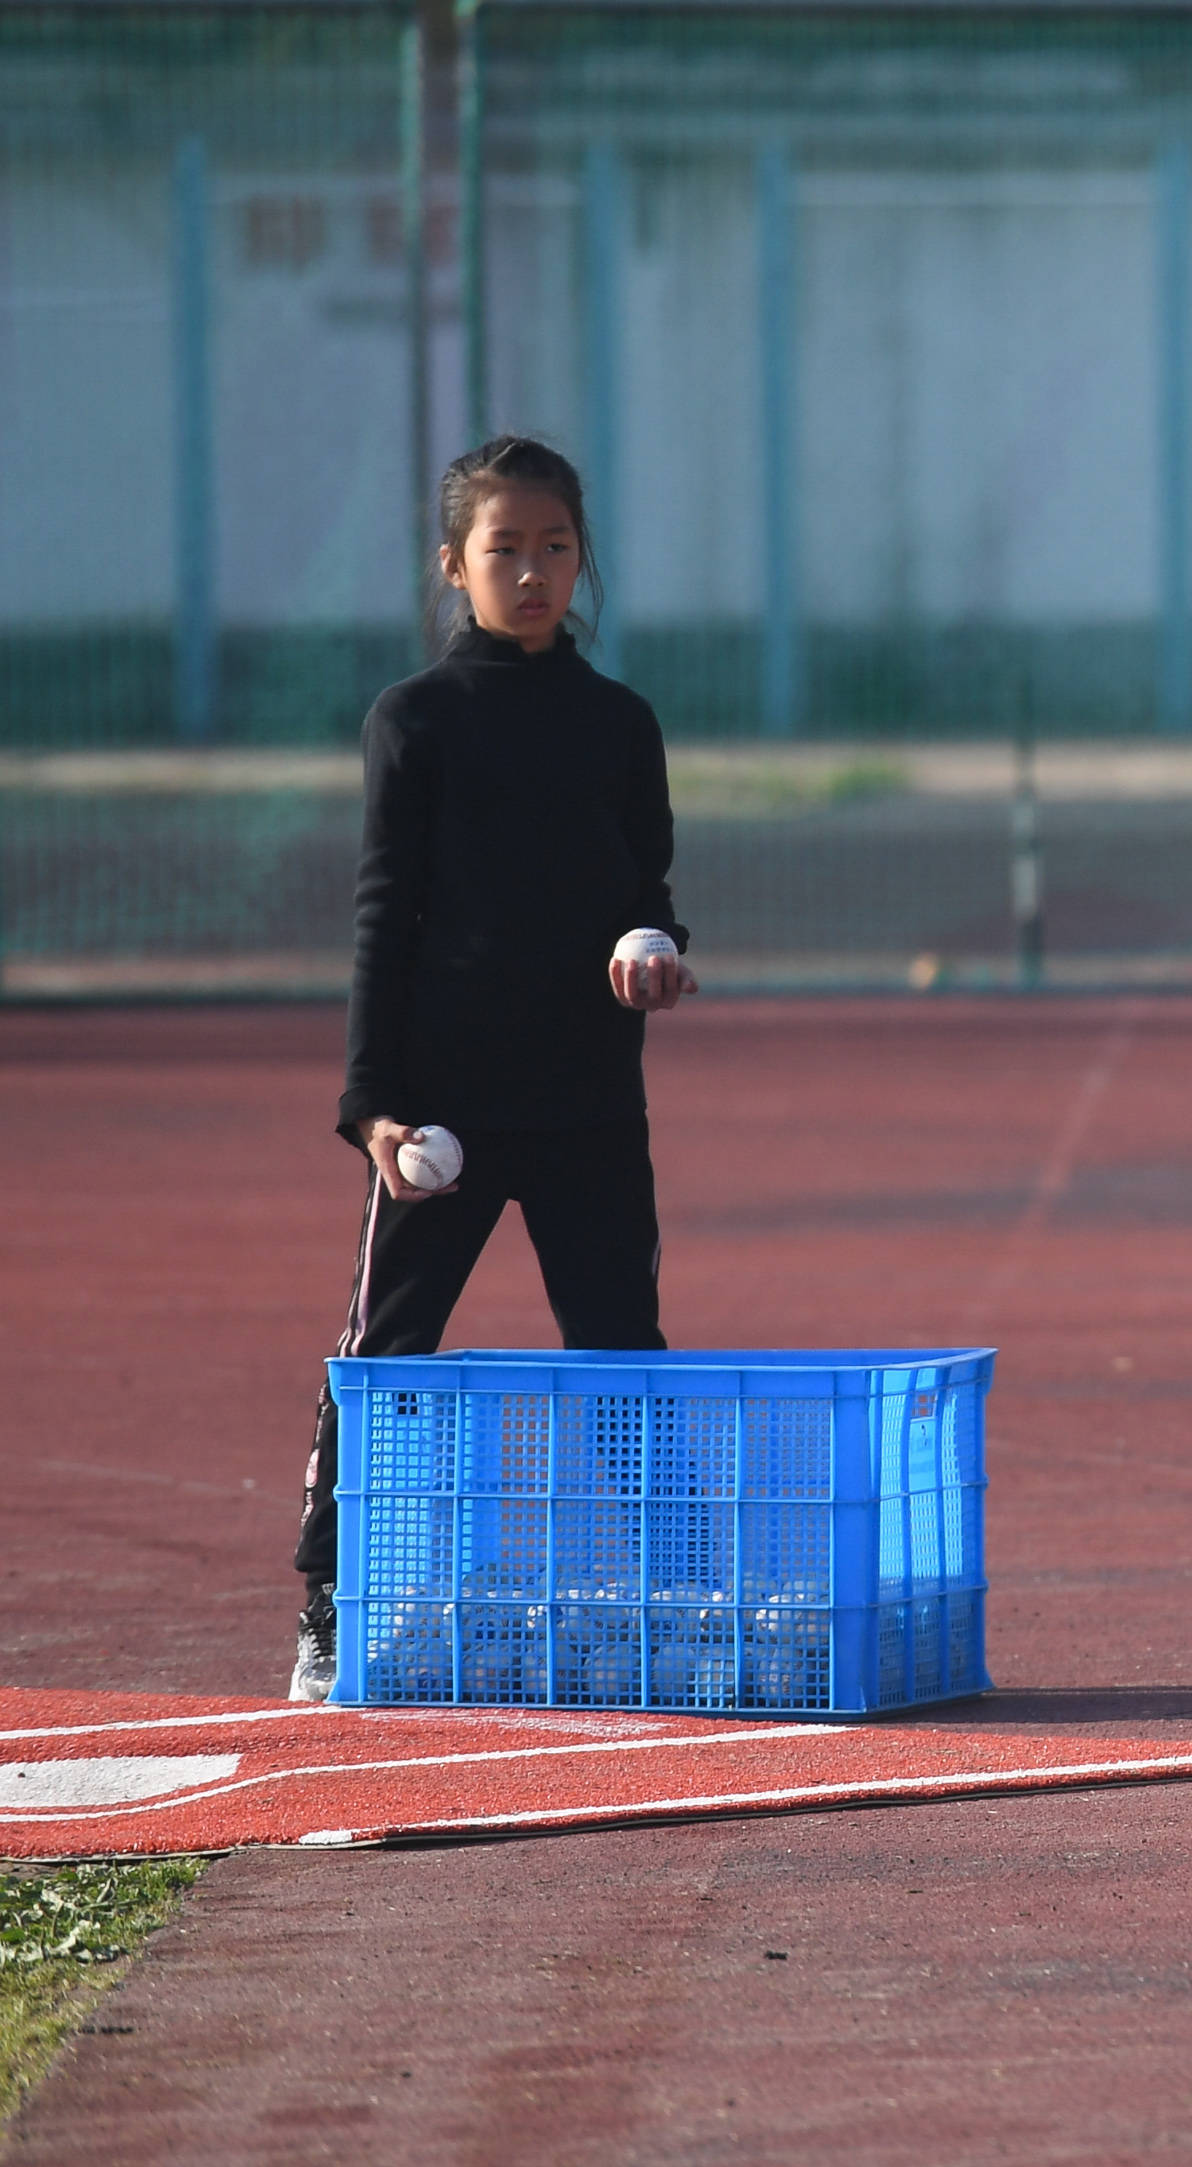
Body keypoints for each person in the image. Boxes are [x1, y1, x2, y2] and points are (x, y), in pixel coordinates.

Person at [286, 435, 697, 1701]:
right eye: (503, 548)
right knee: (387, 1349)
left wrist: (660, 952)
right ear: (454, 565)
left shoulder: (621, 724)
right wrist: (372, 1107)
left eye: (554, 546)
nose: (531, 571)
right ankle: (327, 1605)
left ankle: (675, 1604)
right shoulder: (413, 720)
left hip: (588, 1105)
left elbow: (651, 899)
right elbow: (381, 915)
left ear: (584, 563)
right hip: (442, 1115)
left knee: (625, 1350)